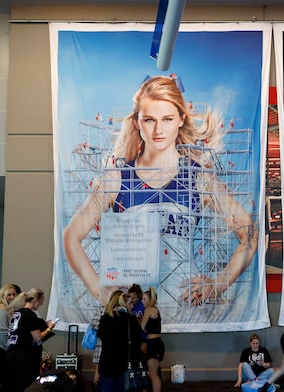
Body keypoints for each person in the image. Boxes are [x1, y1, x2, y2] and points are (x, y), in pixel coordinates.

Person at [62, 76, 257, 309]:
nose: (158, 129)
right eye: (149, 120)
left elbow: (250, 234)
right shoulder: (117, 178)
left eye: (167, 119)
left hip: (186, 310)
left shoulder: (198, 178)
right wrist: (105, 295)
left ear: (181, 120)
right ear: (136, 122)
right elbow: (71, 237)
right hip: (133, 313)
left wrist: (217, 284)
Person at [88, 290, 142, 392]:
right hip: (126, 365)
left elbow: (101, 337)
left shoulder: (105, 319)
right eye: (131, 303)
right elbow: (138, 340)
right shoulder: (131, 320)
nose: (133, 305)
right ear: (124, 304)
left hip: (108, 364)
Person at [3, 288, 56, 392]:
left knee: (20, 389)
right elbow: (38, 338)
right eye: (41, 301)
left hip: (13, 354)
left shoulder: (18, 313)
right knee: (22, 390)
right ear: (35, 300)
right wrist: (50, 328)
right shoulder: (29, 314)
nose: (41, 304)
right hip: (23, 357)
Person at [140, 287, 165, 392]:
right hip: (154, 343)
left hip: (154, 344)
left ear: (150, 299)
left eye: (144, 299)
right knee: (154, 373)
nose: (142, 301)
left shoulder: (149, 309)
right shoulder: (154, 310)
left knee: (153, 374)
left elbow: (142, 328)